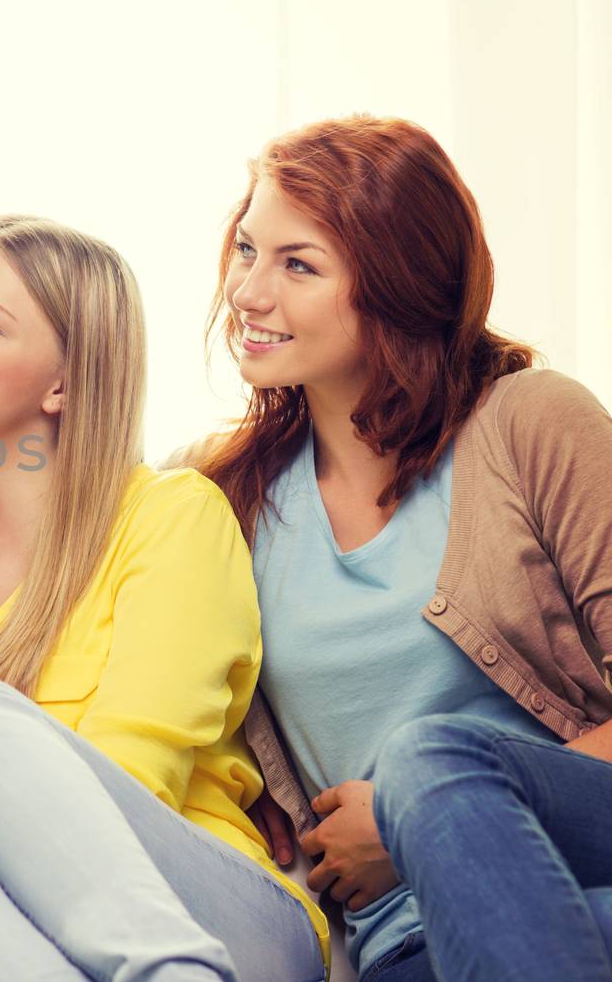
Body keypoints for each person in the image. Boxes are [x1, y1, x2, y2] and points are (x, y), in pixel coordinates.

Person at [0, 215, 329, 981]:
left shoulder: (168, 515)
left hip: (223, 914)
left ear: (63, 383)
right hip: (33, 939)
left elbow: (133, 780)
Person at [195, 114, 612, 982]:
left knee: (426, 756)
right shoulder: (220, 497)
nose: (247, 292)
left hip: (589, 874)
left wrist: (406, 815)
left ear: (396, 285)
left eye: (297, 264)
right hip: (412, 946)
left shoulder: (529, 422)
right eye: (246, 249)